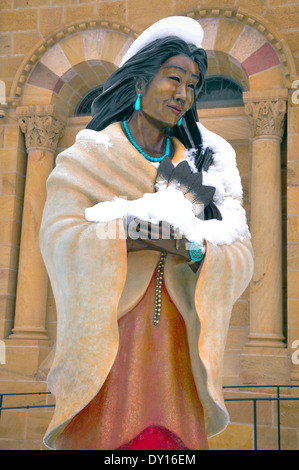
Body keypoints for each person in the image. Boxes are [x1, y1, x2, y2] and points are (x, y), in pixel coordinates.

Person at [40, 17, 254, 450]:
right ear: (139, 82)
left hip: (178, 346)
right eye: (173, 79)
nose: (183, 94)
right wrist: (131, 233)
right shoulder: (89, 157)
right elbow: (59, 237)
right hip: (113, 344)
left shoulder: (203, 166)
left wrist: (193, 249)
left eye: (193, 85)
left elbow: (241, 250)